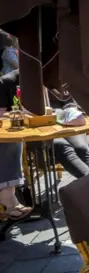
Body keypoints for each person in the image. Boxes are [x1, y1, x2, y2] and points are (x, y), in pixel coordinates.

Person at [0, 70, 31, 220]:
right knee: (9, 141)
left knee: (12, 138)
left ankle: (8, 197)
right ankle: (8, 198)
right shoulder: (5, 82)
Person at [48, 87, 89, 178]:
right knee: (62, 146)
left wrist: (62, 114)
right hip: (42, 127)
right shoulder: (20, 79)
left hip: (67, 119)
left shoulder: (56, 75)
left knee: (81, 148)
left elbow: (70, 104)